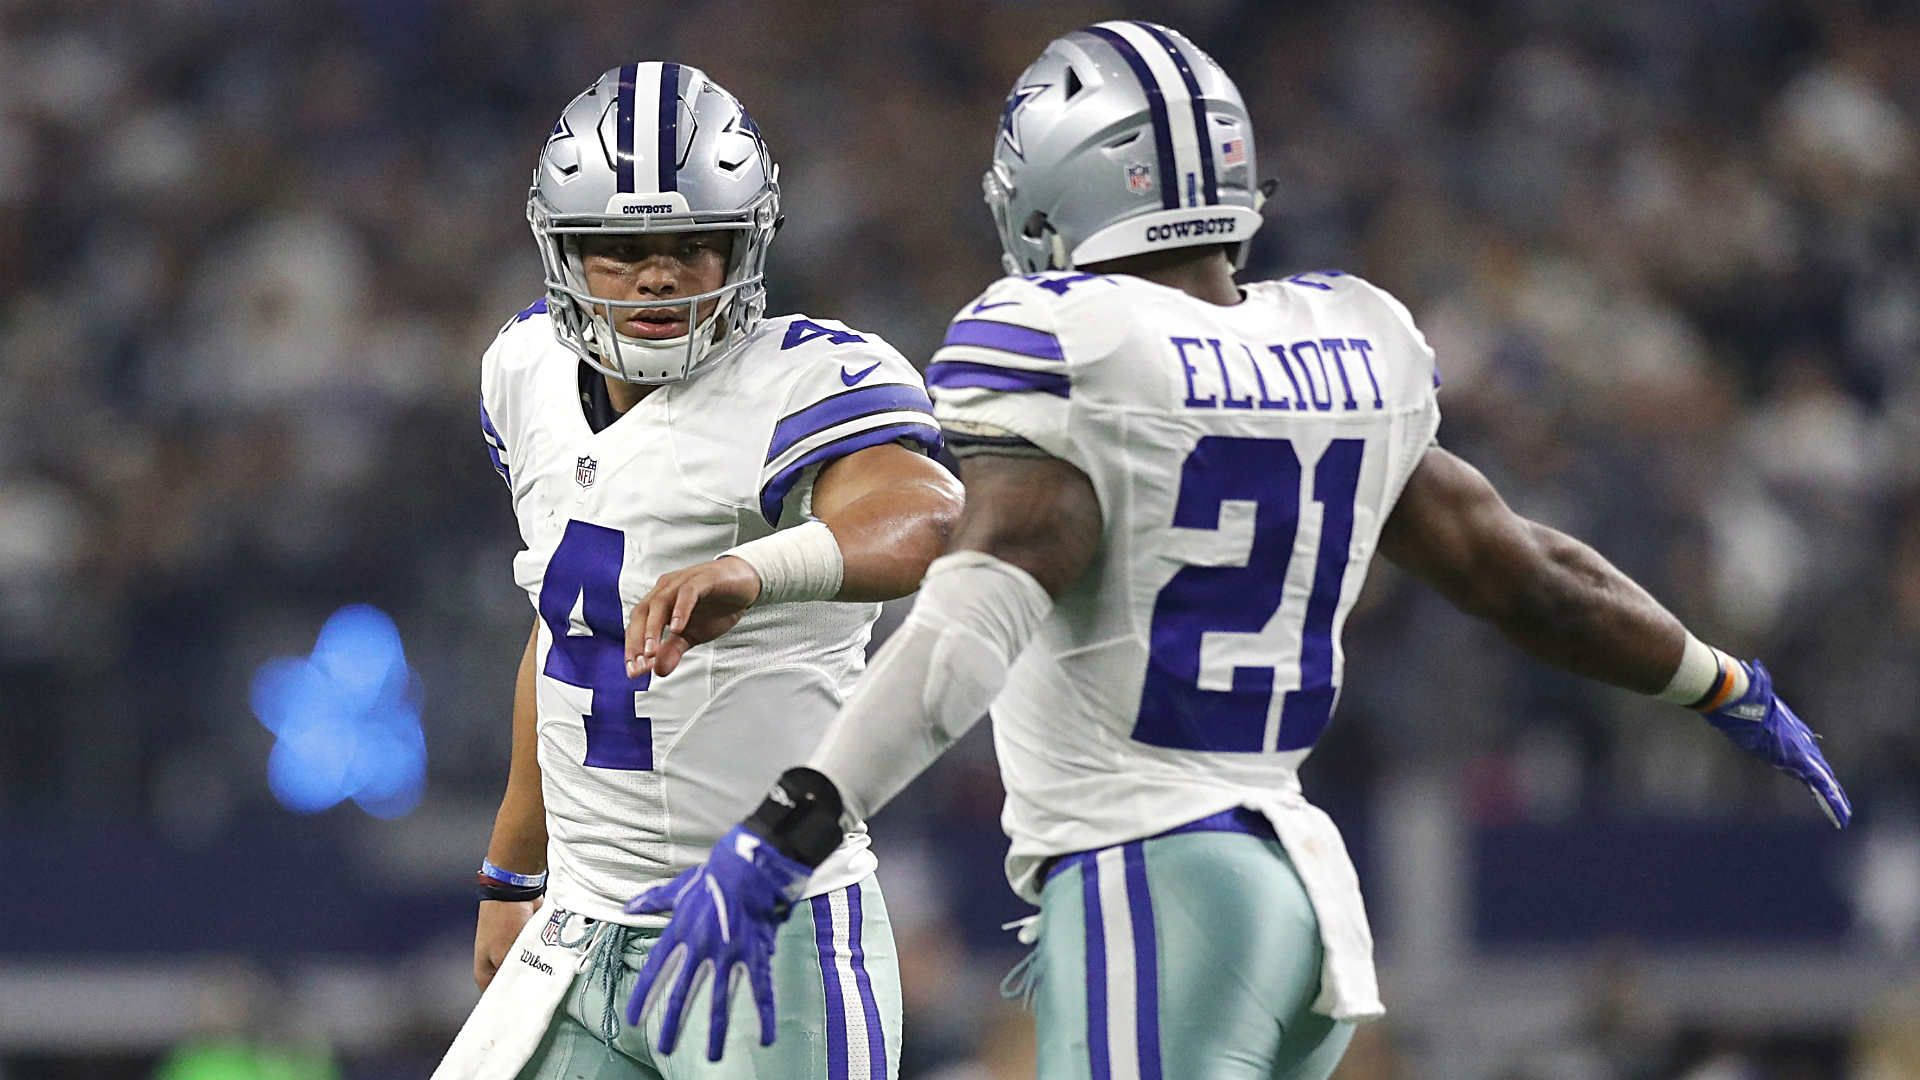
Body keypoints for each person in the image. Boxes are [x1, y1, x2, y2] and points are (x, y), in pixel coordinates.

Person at [622, 21, 1851, 1080]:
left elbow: (967, 626)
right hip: (1301, 894)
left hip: (1151, 878)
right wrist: (1716, 678)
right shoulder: (1349, 342)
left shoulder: (1071, 342)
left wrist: (788, 828)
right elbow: (1525, 574)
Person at [433, 61, 961, 1080]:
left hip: (768, 938)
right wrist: (511, 870)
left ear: (744, 245)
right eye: (622, 251)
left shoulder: (802, 378)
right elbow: (564, 627)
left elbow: (927, 515)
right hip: (579, 931)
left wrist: (757, 571)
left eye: (689, 247)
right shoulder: (525, 371)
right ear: (563, 251)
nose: (659, 278)